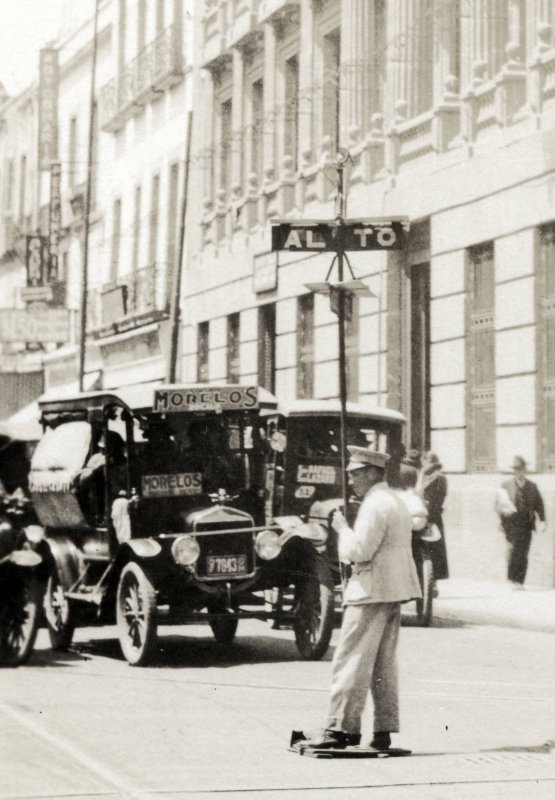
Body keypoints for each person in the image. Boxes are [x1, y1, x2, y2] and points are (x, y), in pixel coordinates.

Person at [301, 446, 421, 752]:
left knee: (351, 658)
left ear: (370, 472)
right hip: (392, 589)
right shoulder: (394, 500)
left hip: (369, 589)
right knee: (383, 664)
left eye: (355, 474)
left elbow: (358, 551)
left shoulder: (375, 505)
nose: (351, 480)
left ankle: (341, 728)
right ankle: (383, 729)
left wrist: (342, 529)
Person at [496, 456, 545, 588]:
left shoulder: (532, 486)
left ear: (525, 470)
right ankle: (512, 578)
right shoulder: (505, 485)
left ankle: (519, 581)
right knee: (512, 550)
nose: (519, 472)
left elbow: (539, 504)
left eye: (521, 469)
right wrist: (503, 511)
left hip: (526, 524)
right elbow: (497, 504)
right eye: (516, 469)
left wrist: (543, 520)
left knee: (523, 553)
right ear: (514, 471)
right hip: (510, 524)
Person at [420, 451, 448, 587]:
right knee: (434, 549)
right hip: (431, 516)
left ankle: (431, 582)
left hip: (429, 516)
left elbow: (436, 499)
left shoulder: (435, 477)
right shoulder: (437, 477)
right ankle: (432, 582)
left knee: (431, 548)